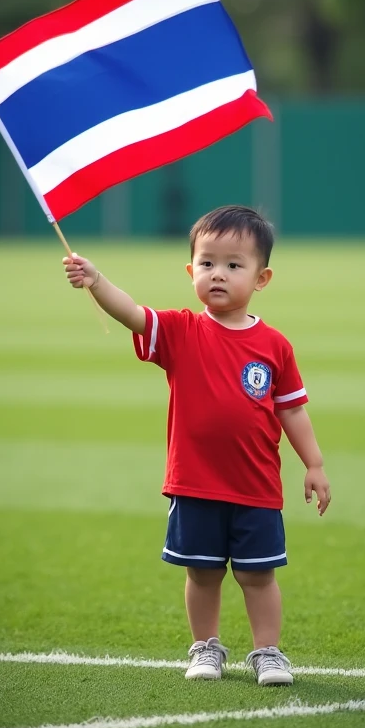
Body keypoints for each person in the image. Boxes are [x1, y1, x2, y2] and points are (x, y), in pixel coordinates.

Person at [63, 205, 330, 686]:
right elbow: (133, 314)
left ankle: (268, 652)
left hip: (256, 487)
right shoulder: (182, 331)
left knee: (258, 576)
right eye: (207, 264)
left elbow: (292, 410)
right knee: (202, 574)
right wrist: (97, 280)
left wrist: (313, 464)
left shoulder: (275, 346)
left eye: (234, 265)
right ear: (191, 271)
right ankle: (206, 648)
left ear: (261, 277)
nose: (218, 275)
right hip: (195, 484)